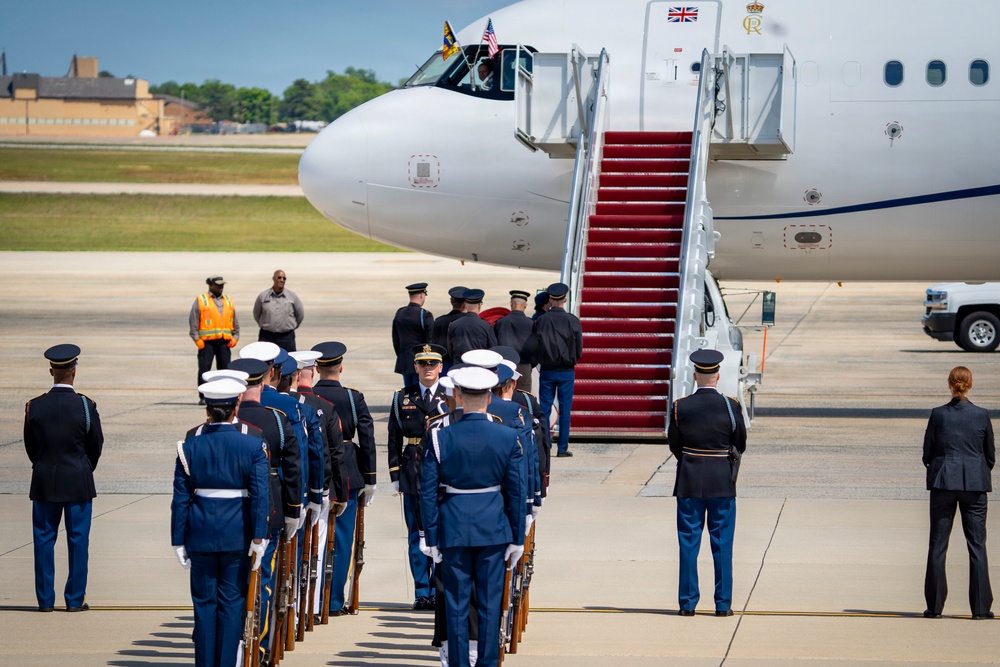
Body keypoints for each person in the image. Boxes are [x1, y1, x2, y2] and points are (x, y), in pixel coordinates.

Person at [421, 366, 525, 667]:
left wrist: (430, 535)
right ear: (490, 398)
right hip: (493, 528)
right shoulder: (507, 436)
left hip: (453, 527)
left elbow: (428, 491)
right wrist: (517, 537)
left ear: (459, 396)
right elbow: (517, 492)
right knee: (491, 604)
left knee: (456, 603)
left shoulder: (441, 437)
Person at [170, 378, 269, 667]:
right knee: (231, 604)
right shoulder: (252, 445)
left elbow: (180, 499)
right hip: (237, 534)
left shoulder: (188, 446)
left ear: (207, 411)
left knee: (203, 606)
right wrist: (259, 537)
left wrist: (178, 539)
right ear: (236, 405)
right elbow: (260, 496)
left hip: (199, 535)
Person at [226, 358, 301, 661]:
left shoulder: (224, 419)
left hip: (229, 513)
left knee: (230, 582)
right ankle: (259, 645)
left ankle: (230, 646)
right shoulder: (278, 419)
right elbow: (294, 467)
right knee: (264, 579)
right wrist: (294, 510)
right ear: (266, 379)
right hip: (268, 508)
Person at [23, 344, 104, 613]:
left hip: (45, 481)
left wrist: (46, 465)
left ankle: (45, 600)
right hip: (78, 481)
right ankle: (74, 599)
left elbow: (31, 448)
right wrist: (83, 468)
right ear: (74, 371)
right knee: (78, 541)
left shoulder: (35, 406)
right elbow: (96, 445)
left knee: (43, 541)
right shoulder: (85, 405)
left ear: (51, 372)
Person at [667, 349, 747, 617]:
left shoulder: (681, 406)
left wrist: (692, 459)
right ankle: (723, 604)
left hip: (689, 480)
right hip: (722, 482)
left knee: (688, 544)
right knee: (722, 544)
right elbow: (741, 444)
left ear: (695, 375)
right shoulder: (732, 406)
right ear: (718, 376)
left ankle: (687, 604)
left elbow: (675, 445)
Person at [310, 341, 378, 616]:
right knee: (343, 537)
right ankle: (335, 600)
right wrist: (371, 477)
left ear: (316, 369)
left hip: (315, 470)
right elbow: (368, 436)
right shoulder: (352, 397)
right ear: (341, 367)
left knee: (315, 535)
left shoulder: (307, 397)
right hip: (348, 470)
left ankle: (313, 600)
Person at [923, 365, 995, 620]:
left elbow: (927, 454)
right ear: (970, 384)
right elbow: (990, 455)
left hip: (943, 483)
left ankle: (934, 608)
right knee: (977, 545)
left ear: (949, 384)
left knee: (938, 545)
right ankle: (980, 608)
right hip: (974, 486)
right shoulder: (981, 415)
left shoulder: (938, 414)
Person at [388, 343, 448, 610]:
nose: (428, 369)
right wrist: (394, 474)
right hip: (412, 470)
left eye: (432, 364)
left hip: (441, 472)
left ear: (440, 368)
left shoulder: (450, 395)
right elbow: (393, 437)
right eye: (423, 364)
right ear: (415, 367)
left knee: (440, 531)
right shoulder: (403, 396)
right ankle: (422, 590)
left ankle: (439, 589)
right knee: (416, 533)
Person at [533, 282, 583, 457]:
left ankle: (545, 445)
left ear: (550, 299)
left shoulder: (542, 320)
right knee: (565, 409)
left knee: (545, 408)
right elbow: (578, 348)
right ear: (565, 299)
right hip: (566, 370)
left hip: (547, 369)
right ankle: (562, 447)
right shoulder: (572, 320)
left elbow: (537, 344)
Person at [190, 276, 239, 404]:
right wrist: (197, 341)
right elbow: (193, 322)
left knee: (224, 370)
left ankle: (223, 395)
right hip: (207, 343)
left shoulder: (228, 300)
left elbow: (235, 321)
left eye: (222, 285)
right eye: (218, 285)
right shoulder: (202, 300)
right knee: (204, 370)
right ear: (210, 285)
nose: (220, 287)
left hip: (224, 342)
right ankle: (203, 396)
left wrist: (235, 338)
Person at [392, 282, 434, 388]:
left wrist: (401, 355)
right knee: (419, 391)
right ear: (421, 295)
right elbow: (430, 340)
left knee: (407, 391)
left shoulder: (400, 312)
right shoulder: (424, 315)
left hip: (404, 360)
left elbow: (395, 339)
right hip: (420, 360)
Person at [253, 270, 304, 352]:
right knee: (265, 360)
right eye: (279, 277)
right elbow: (256, 313)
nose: (282, 280)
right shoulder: (263, 296)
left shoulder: (292, 296)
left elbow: (300, 314)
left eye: (284, 278)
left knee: (289, 360)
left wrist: (292, 326)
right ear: (273, 279)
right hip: (267, 336)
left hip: (286, 337)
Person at [493, 290, 534, 393]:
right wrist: (530, 364)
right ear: (525, 306)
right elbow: (536, 347)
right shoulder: (531, 324)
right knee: (524, 397)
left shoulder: (500, 323)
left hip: (505, 365)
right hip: (524, 366)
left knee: (503, 395)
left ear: (511, 304)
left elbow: (495, 344)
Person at [447, 289, 497, 362]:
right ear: (480, 305)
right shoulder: (485, 326)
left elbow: (450, 350)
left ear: (465, 304)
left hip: (459, 366)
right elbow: (493, 348)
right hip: (479, 365)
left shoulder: (454, 325)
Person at [432, 286, 468, 372]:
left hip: (443, 364)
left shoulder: (439, 321)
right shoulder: (468, 322)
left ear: (451, 302)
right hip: (463, 363)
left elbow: (433, 343)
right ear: (465, 304)